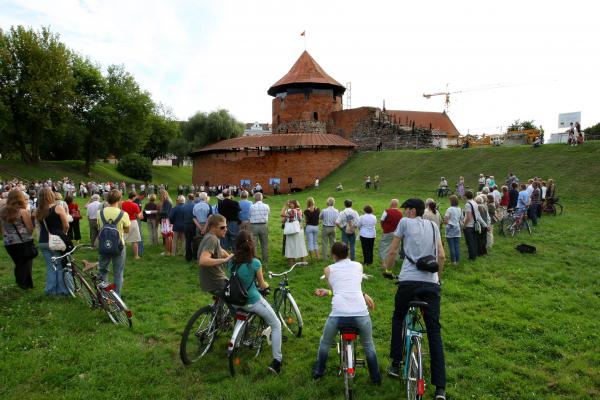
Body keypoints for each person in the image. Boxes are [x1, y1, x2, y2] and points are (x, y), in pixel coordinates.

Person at [383, 198, 446, 400]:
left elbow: (393, 250)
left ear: (411, 211)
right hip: (431, 284)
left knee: (398, 318)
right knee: (434, 332)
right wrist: (438, 281)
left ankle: (395, 362)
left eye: (406, 209)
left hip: (408, 281)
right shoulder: (433, 225)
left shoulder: (404, 223)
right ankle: (440, 388)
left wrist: (388, 268)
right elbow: (442, 256)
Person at [313, 242, 381, 384]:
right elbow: (351, 286)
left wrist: (329, 291)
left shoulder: (328, 270)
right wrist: (363, 294)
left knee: (325, 343)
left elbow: (337, 289)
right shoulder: (358, 266)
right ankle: (376, 379)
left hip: (338, 315)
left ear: (333, 255)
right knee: (368, 345)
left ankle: (318, 372)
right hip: (361, 314)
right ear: (348, 253)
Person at [227, 231, 283, 374]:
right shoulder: (255, 263)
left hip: (234, 301)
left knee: (243, 312)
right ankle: (277, 361)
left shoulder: (231, 261)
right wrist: (267, 286)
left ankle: (239, 339)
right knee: (276, 324)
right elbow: (262, 284)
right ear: (251, 245)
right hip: (251, 301)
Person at [36, 187, 70, 296]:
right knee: (59, 266)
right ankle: (62, 291)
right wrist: (63, 234)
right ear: (51, 196)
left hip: (43, 241)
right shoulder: (58, 208)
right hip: (55, 241)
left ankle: (50, 290)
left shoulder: (37, 211)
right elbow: (66, 225)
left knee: (50, 267)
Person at [97, 189, 130, 296]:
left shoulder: (100, 213)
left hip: (103, 245)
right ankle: (117, 298)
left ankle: (104, 296)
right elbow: (127, 230)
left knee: (103, 270)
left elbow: (99, 227)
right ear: (120, 199)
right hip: (119, 246)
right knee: (118, 273)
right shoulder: (123, 214)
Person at [1, 189, 35, 289]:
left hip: (8, 242)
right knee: (26, 263)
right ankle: (25, 285)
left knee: (19, 263)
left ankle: (23, 284)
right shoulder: (22, 211)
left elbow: (1, 228)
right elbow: (30, 228)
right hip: (23, 241)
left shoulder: (2, 211)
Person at [198, 214, 233, 293]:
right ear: (213, 228)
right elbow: (203, 261)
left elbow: (221, 251)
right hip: (216, 282)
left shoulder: (211, 236)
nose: (226, 229)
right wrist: (225, 260)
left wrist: (232, 259)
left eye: (226, 226)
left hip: (212, 280)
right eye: (222, 227)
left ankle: (219, 305)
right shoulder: (212, 239)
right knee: (241, 295)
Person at [282, 199, 308, 266]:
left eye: (291, 203)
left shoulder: (290, 211)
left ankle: (291, 263)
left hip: (290, 230)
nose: (289, 204)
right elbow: (301, 219)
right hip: (299, 229)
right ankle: (303, 262)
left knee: (290, 246)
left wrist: (285, 206)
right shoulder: (299, 210)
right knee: (301, 245)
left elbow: (282, 216)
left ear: (294, 204)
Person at [379, 199, 402, 264]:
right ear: (397, 204)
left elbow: (382, 220)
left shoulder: (387, 211)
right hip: (397, 232)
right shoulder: (400, 212)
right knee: (395, 247)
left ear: (391, 204)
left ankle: (384, 261)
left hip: (387, 232)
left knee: (384, 246)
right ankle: (394, 260)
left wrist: (383, 227)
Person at [249, 192, 270, 265]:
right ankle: (265, 260)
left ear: (255, 198)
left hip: (254, 226)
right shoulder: (266, 206)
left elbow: (250, 215)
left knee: (254, 244)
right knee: (264, 243)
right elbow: (268, 214)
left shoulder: (252, 206)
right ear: (262, 198)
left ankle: (254, 260)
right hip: (264, 225)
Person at [121, 192, 142, 260]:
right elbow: (139, 216)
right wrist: (141, 214)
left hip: (125, 222)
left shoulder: (122, 203)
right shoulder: (135, 205)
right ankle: (136, 256)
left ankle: (121, 255)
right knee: (135, 240)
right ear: (133, 197)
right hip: (133, 222)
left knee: (123, 239)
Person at [463, 190, 482, 261]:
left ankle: (471, 257)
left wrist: (464, 226)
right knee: (474, 240)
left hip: (469, 225)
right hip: (474, 224)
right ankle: (474, 254)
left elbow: (468, 217)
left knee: (469, 242)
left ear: (466, 196)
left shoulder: (468, 204)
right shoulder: (474, 202)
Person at [444, 195, 461, 265]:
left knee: (451, 246)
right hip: (457, 228)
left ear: (451, 201)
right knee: (456, 245)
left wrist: (447, 223)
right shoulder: (459, 209)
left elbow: (445, 220)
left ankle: (453, 261)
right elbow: (461, 219)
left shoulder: (449, 209)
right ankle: (457, 260)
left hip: (450, 228)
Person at [159, 189, 173, 256]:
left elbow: (166, 212)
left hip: (166, 220)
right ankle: (169, 251)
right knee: (169, 236)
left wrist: (159, 212)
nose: (160, 196)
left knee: (167, 236)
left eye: (160, 194)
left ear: (163, 194)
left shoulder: (166, 202)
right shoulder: (168, 201)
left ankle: (167, 251)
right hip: (168, 220)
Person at [183, 193, 197, 262]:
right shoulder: (195, 206)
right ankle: (195, 256)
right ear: (193, 198)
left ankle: (188, 257)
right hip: (193, 225)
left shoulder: (184, 206)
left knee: (188, 241)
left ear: (188, 198)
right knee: (194, 241)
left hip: (186, 225)